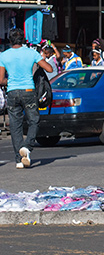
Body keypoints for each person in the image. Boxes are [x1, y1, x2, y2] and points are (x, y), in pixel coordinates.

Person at [0, 28, 53, 169]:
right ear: (23, 39)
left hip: (12, 92)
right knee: (34, 121)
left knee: (15, 126)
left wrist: (11, 80)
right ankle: (27, 147)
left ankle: (19, 160)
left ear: (10, 40)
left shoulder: (3, 56)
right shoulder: (31, 53)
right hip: (29, 91)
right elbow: (49, 69)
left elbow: (0, 80)